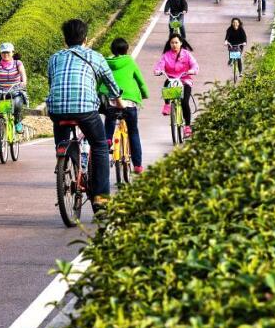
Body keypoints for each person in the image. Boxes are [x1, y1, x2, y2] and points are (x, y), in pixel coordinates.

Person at [46, 19, 121, 207]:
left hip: (56, 109)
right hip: (85, 110)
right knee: (100, 146)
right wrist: (118, 101)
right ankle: (101, 199)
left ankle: (65, 160)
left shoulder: (54, 58)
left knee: (63, 140)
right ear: (86, 38)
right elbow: (111, 84)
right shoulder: (95, 56)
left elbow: (52, 81)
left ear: (65, 41)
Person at [104, 38, 147, 173]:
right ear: (126, 49)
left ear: (112, 50)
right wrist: (144, 94)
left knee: (110, 119)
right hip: (129, 102)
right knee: (133, 131)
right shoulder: (129, 62)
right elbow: (140, 80)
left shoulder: (106, 63)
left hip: (112, 101)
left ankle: (108, 139)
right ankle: (138, 165)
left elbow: (100, 81)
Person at [155, 34, 198, 135]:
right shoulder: (166, 55)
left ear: (181, 43)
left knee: (184, 102)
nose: (174, 45)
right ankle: (167, 104)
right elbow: (160, 65)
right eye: (172, 43)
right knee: (167, 82)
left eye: (176, 42)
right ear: (169, 44)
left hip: (184, 80)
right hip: (172, 78)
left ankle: (187, 126)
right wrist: (158, 71)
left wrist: (192, 70)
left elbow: (194, 65)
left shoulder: (187, 54)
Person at [0, 42, 27, 133]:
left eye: (8, 52)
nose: (6, 54)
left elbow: (23, 73)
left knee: (17, 103)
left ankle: (17, 122)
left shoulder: (17, 63)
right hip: (0, 91)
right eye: (3, 52)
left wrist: (23, 81)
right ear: (0, 53)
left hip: (15, 90)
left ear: (12, 53)